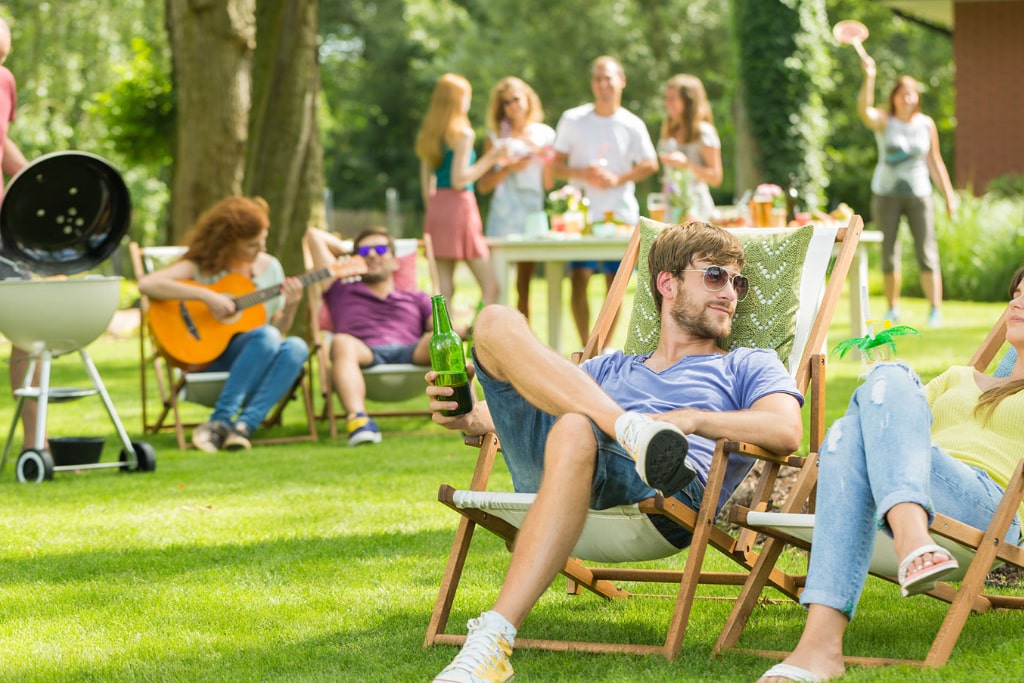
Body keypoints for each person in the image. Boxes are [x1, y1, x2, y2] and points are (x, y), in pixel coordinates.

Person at [427, 221, 805, 683]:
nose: (730, 291)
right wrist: (468, 418)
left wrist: (689, 419)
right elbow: (528, 403)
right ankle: (627, 428)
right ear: (667, 283)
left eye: (737, 282)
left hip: (666, 491)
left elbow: (785, 430)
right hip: (561, 465)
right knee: (493, 321)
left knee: (573, 425)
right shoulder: (610, 366)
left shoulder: (746, 363)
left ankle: (493, 640)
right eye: (714, 276)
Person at [757, 266, 1024, 683]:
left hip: (988, 505)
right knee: (871, 400)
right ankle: (907, 540)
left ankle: (825, 641)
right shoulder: (958, 377)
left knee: (880, 389)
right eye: (1016, 292)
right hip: (917, 479)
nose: (1016, 302)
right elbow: (889, 417)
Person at [137, 196, 308, 453]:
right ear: (227, 242)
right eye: (252, 244)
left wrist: (292, 305)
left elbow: (277, 331)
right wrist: (207, 296)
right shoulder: (202, 267)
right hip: (208, 357)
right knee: (266, 336)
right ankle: (222, 419)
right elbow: (147, 284)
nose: (261, 249)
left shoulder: (271, 268)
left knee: (296, 346)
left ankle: (240, 428)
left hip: (257, 355)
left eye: (264, 239)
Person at [550, 55, 659, 347]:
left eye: (608, 78)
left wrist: (619, 178)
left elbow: (651, 163)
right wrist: (580, 172)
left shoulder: (631, 123)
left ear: (621, 81)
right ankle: (585, 346)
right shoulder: (573, 119)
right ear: (592, 84)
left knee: (615, 286)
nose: (602, 84)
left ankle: (599, 349)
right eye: (597, 78)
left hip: (619, 215)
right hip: (580, 217)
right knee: (578, 280)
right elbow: (555, 165)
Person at [304, 226, 432, 447]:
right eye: (364, 252)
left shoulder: (417, 297)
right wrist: (346, 255)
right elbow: (313, 235)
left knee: (443, 339)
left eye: (380, 249)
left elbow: (438, 329)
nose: (372, 254)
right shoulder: (339, 289)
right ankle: (359, 422)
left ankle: (467, 416)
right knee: (341, 341)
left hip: (411, 351)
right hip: (364, 352)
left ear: (396, 261)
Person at [858, 48, 956, 328]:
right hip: (886, 194)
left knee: (927, 251)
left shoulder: (926, 124)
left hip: (919, 194)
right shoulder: (884, 122)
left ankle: (935, 310)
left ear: (917, 98)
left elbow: (935, 161)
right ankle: (892, 308)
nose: (908, 97)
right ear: (895, 97)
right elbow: (864, 111)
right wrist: (870, 76)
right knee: (889, 252)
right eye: (902, 93)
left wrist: (949, 196)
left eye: (912, 93)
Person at [416, 73, 504, 308]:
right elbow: (459, 179)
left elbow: (426, 188)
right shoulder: (463, 134)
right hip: (459, 206)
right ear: (459, 100)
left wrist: (435, 211)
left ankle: (446, 338)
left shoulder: (429, 136)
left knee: (444, 287)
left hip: (436, 208)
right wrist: (491, 157)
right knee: (491, 286)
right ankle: (478, 336)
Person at [476, 76, 556, 320]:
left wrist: (540, 154)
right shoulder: (496, 137)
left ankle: (524, 343)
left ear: (528, 99)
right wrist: (509, 168)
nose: (512, 106)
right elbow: (483, 185)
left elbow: (549, 183)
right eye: (506, 102)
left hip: (531, 212)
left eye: (516, 99)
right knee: (497, 285)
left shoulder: (545, 135)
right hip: (503, 212)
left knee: (524, 285)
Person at [0, 17, 36, 450]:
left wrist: (33, 179)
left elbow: (2, 142)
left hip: (2, 233)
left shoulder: (4, 82)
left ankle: (35, 446)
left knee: (30, 327)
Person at [657, 73, 723, 222]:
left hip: (697, 211)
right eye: (666, 98)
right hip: (671, 211)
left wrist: (686, 165)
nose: (667, 103)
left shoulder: (704, 133)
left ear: (688, 102)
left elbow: (716, 178)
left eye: (672, 98)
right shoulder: (668, 132)